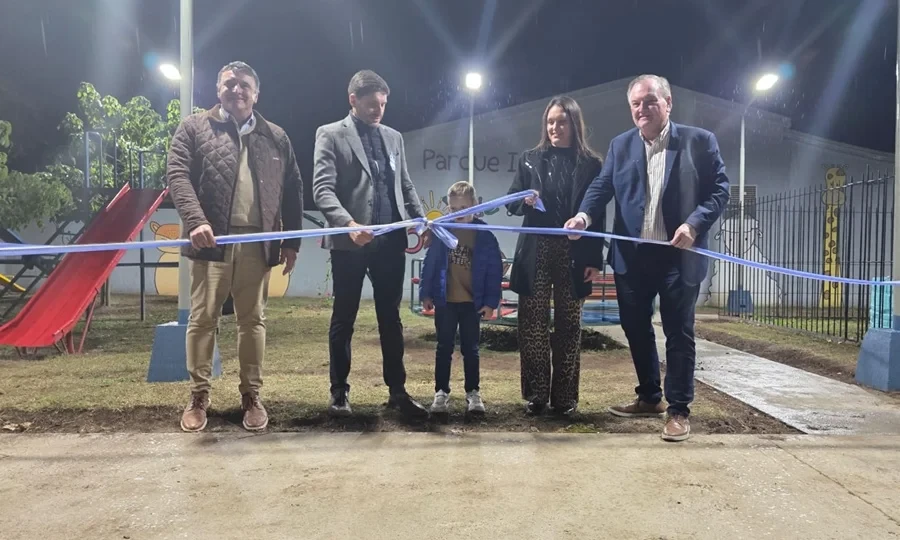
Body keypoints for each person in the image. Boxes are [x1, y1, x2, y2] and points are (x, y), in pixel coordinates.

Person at [565, 74, 730, 442]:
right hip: (632, 258)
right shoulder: (621, 145)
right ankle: (650, 396)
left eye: (650, 101)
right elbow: (602, 187)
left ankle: (678, 410)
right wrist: (583, 217)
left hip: (678, 257)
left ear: (668, 103)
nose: (642, 109)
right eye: (636, 104)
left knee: (678, 333)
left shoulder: (699, 142)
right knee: (635, 329)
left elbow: (720, 191)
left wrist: (694, 224)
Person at [167, 60, 304, 433]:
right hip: (210, 241)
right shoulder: (194, 127)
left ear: (256, 94)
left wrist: (291, 241)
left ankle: (251, 395)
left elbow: (293, 190)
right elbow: (177, 176)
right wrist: (196, 221)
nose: (236, 90)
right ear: (218, 90)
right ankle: (198, 395)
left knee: (253, 322)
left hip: (257, 244)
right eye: (229, 84)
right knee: (202, 320)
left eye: (244, 85)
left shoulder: (276, 136)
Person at [313, 70, 429, 419]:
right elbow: (322, 189)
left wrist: (420, 218)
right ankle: (339, 394)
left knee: (390, 319)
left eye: (382, 104)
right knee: (344, 318)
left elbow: (405, 185)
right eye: (371, 104)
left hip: (391, 242)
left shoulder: (394, 137)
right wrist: (348, 225)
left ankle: (397, 392)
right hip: (350, 244)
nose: (378, 110)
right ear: (353, 100)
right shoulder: (330, 134)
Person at [505, 96, 606, 416]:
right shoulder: (529, 159)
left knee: (569, 326)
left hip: (573, 252)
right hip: (535, 248)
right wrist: (526, 201)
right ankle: (536, 395)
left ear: (574, 124)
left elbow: (598, 213)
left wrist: (593, 259)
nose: (554, 127)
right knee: (531, 325)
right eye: (550, 121)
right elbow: (511, 203)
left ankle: (565, 398)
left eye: (561, 121)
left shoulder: (592, 164)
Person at [419, 181, 504, 416]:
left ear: (475, 206)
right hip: (445, 302)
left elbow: (494, 270)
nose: (459, 214)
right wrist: (426, 293)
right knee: (443, 347)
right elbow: (431, 264)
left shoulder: (485, 236)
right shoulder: (441, 231)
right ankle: (441, 393)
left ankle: (473, 392)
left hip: (472, 304)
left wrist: (490, 302)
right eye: (454, 210)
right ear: (448, 208)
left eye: (464, 208)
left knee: (471, 349)